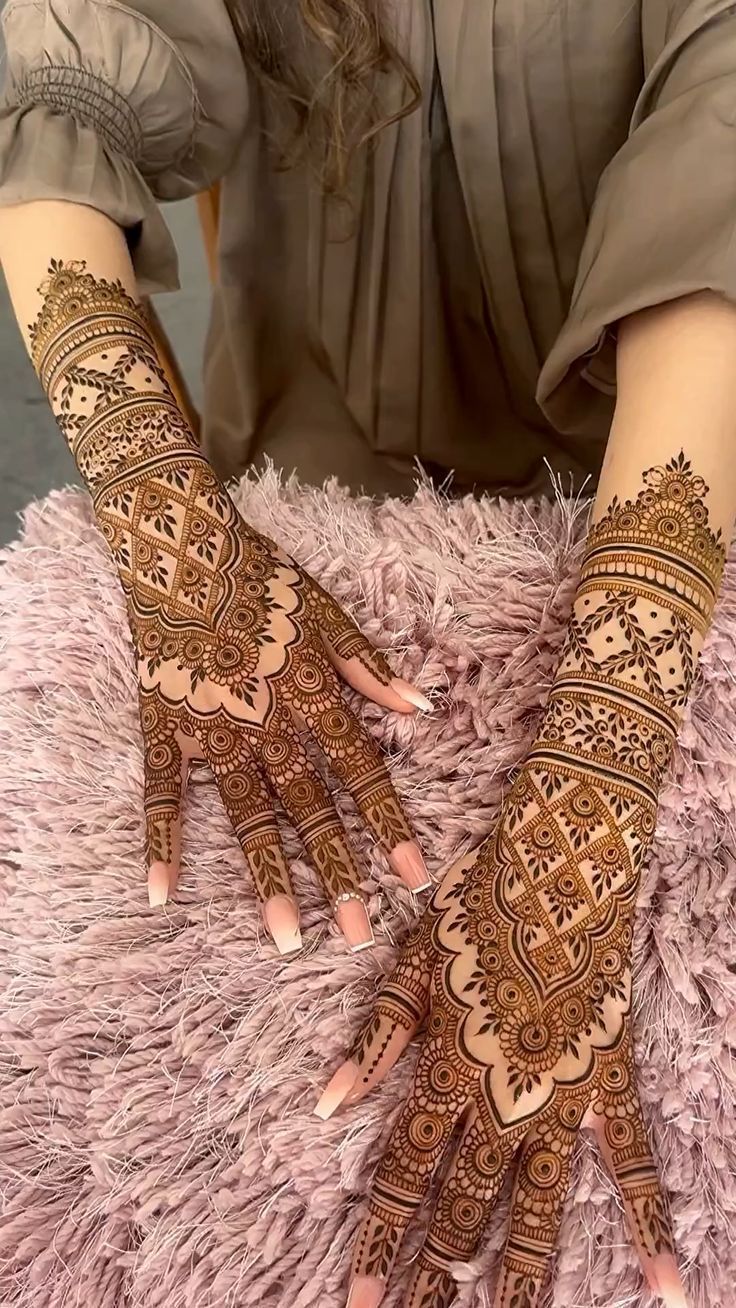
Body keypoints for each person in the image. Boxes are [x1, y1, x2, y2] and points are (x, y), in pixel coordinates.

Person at [0, 2, 733, 1305]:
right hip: (299, 488)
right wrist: (167, 521)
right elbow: (58, 94)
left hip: (673, 492)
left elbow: (717, 206)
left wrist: (583, 809)